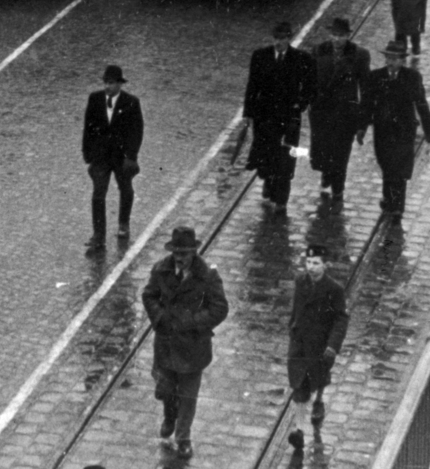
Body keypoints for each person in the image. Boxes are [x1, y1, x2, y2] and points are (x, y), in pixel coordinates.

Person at [140, 226, 228, 460]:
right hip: (166, 342)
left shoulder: (207, 275)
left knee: (188, 395)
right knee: (165, 389)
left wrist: (193, 322)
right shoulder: (161, 270)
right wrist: (160, 317)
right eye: (176, 254)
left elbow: (220, 308)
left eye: (184, 255)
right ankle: (170, 415)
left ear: (193, 253)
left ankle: (183, 438)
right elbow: (148, 295)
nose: (179, 259)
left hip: (193, 345)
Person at [283, 243, 349, 463]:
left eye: (316, 263)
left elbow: (341, 319)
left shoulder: (334, 289)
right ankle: (299, 431)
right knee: (299, 386)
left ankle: (319, 399)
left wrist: (332, 346)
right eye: (308, 262)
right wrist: (292, 325)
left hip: (320, 346)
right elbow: (297, 307)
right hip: (300, 343)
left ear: (325, 265)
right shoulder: (300, 281)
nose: (311, 267)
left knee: (318, 379)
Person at [242, 22, 316, 216]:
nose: (279, 42)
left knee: (285, 159)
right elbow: (253, 86)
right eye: (276, 38)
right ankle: (268, 182)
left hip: (288, 119)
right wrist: (248, 113)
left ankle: (281, 200)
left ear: (289, 38)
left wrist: (300, 105)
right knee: (266, 157)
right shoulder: (260, 56)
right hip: (264, 118)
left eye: (282, 38)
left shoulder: (301, 59)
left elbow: (310, 87)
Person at [360, 41, 430, 221]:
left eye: (394, 59)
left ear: (403, 61)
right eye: (388, 58)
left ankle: (397, 208)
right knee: (386, 166)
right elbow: (367, 104)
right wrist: (361, 127)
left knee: (399, 170)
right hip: (383, 130)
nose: (390, 62)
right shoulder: (375, 77)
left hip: (403, 130)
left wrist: (428, 128)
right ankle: (388, 199)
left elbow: (421, 103)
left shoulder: (412, 77)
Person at [80, 65, 143, 254]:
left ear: (119, 84)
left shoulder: (131, 102)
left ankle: (123, 223)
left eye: (112, 83)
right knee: (98, 194)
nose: (108, 87)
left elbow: (137, 131)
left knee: (125, 188)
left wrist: (131, 156)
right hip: (100, 157)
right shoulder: (95, 99)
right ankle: (98, 236)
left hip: (121, 158)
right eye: (105, 83)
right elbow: (88, 127)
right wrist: (88, 153)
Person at [308, 19, 369, 201]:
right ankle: (326, 173)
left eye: (341, 35)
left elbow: (365, 88)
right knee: (323, 152)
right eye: (334, 35)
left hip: (346, 113)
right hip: (322, 112)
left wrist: (362, 121)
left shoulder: (359, 55)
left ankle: (338, 191)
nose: (336, 39)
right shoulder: (318, 51)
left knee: (341, 154)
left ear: (348, 36)